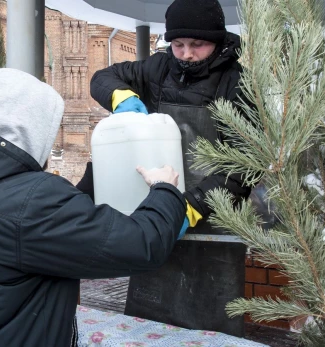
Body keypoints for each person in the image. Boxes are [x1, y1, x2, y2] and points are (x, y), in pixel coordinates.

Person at [0, 68, 186, 346]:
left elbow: (33, 228)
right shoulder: (32, 203)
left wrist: (99, 168)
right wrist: (165, 191)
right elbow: (140, 245)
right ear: (33, 127)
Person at [88, 0, 252, 336]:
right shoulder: (158, 69)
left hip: (213, 224)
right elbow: (103, 77)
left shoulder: (238, 84)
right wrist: (121, 97)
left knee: (210, 329)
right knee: (147, 326)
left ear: (219, 42)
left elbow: (241, 169)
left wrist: (189, 208)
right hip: (158, 215)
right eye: (178, 44)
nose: (187, 54)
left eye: (197, 45)